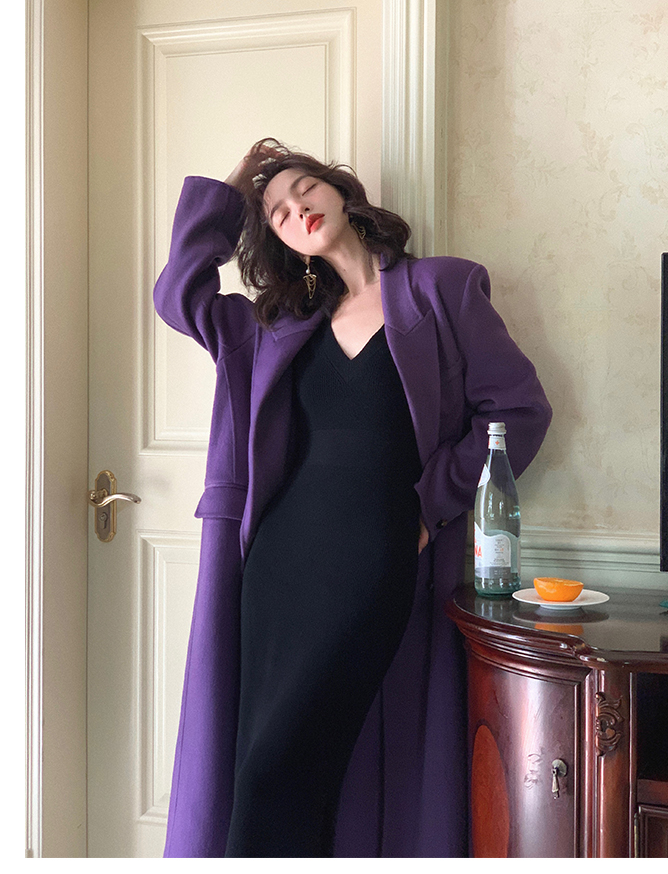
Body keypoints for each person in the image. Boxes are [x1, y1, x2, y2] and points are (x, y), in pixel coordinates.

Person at [153, 138, 552, 858]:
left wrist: (431, 505)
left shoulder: (442, 289)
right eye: (276, 212)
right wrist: (237, 190)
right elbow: (178, 295)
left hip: (373, 559)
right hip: (278, 567)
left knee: (286, 764)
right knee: (264, 766)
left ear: (342, 192)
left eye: (304, 188)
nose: (295, 208)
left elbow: (519, 410)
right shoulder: (278, 326)